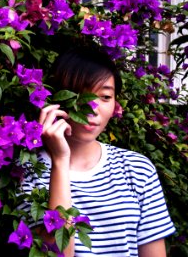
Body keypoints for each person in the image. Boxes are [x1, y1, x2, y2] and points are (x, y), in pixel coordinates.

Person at [18, 46, 175, 256]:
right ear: (57, 99)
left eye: (105, 97)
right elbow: (56, 253)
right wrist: (60, 162)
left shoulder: (137, 169)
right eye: (81, 96)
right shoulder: (27, 171)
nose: (92, 108)